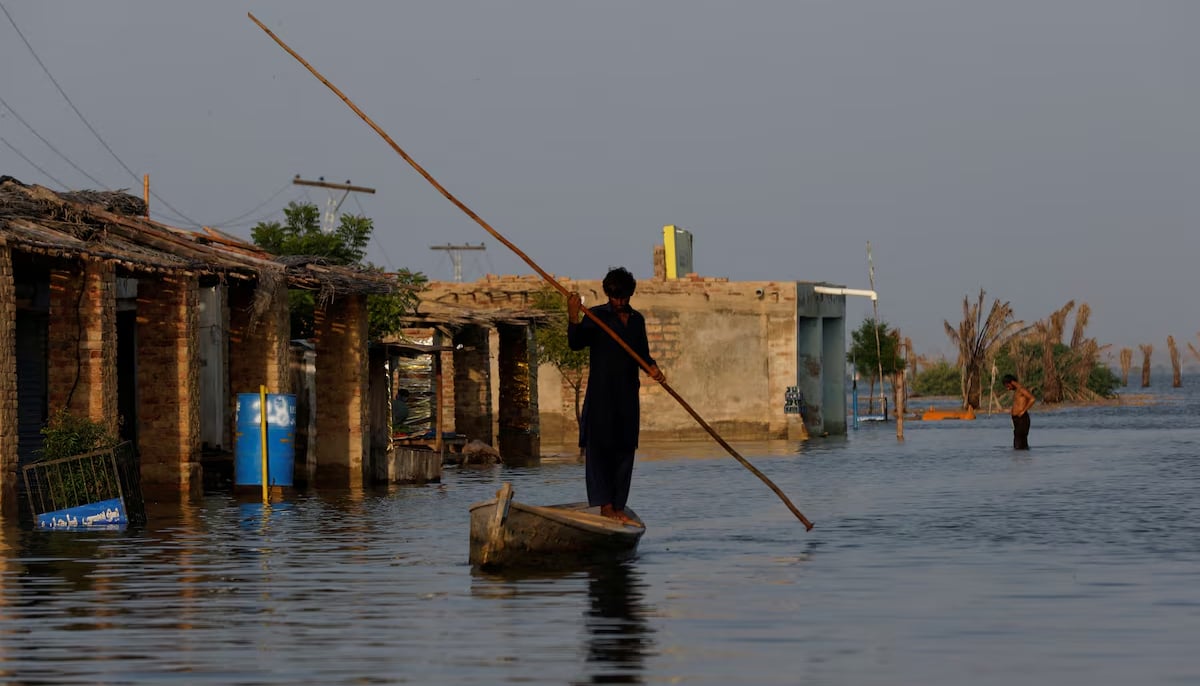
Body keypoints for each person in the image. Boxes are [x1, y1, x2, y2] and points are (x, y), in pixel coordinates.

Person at [567, 267, 665, 525]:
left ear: (630, 295)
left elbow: (642, 354)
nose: (619, 302)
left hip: (627, 395)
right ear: (609, 294)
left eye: (623, 298)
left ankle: (619, 505)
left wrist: (653, 368)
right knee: (600, 449)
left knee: (624, 447)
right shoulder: (596, 317)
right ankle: (606, 506)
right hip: (601, 396)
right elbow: (576, 344)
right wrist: (573, 314)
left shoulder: (637, 321)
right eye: (615, 297)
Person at [1002, 374, 1035, 450]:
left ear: (1012, 382)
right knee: (1020, 441)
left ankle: (1018, 459)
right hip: (1017, 419)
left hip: (1022, 418)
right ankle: (1023, 458)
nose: (1008, 389)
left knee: (1018, 441)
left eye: (1008, 386)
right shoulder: (1017, 391)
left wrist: (1023, 411)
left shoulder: (1021, 389)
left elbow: (1032, 399)